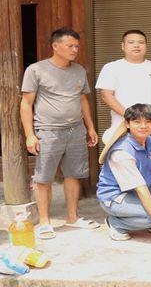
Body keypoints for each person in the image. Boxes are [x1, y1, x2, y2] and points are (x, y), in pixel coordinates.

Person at [20, 27, 100, 239]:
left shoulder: (79, 70)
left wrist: (90, 127)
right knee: (43, 177)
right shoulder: (36, 70)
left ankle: (72, 217)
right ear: (55, 46)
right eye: (70, 46)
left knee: (74, 175)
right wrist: (30, 135)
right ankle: (44, 222)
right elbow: (26, 103)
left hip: (76, 130)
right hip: (48, 131)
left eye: (77, 46)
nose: (74, 50)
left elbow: (83, 99)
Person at [97, 104, 151, 241]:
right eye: (137, 122)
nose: (143, 126)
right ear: (127, 124)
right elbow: (140, 189)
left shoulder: (149, 140)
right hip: (116, 198)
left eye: (148, 121)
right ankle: (116, 223)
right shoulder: (121, 152)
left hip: (141, 188)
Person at [96, 30, 151, 154]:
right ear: (123, 46)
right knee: (124, 160)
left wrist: (149, 116)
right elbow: (106, 95)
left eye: (141, 42)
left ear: (146, 46)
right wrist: (131, 117)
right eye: (131, 42)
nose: (136, 45)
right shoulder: (111, 68)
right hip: (122, 125)